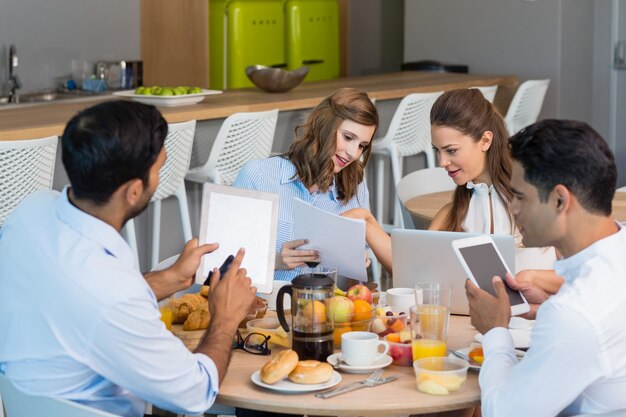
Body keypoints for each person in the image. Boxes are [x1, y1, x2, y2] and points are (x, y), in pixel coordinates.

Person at [0, 101, 257, 417]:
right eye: (159, 169)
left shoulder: (30, 212)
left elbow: (79, 298)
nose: (160, 177)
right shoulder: (114, 295)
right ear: (134, 191)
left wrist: (169, 279)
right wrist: (226, 318)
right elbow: (195, 393)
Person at [465, 119, 626, 416]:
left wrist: (494, 331)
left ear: (560, 200)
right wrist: (547, 306)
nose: (512, 208)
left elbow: (504, 413)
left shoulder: (573, 316)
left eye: (520, 196)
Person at [345, 89, 561, 294]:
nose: (442, 162)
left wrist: (530, 277)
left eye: (451, 150)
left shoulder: (538, 198)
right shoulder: (455, 212)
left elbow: (585, 273)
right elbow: (411, 271)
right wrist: (367, 222)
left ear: (485, 140)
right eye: (437, 151)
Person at [233, 88, 378, 281]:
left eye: (362, 146)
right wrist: (275, 261)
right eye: (348, 137)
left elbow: (354, 279)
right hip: (263, 306)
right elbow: (223, 260)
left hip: (324, 307)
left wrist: (357, 261)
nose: (353, 153)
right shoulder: (258, 176)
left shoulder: (355, 188)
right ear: (325, 126)